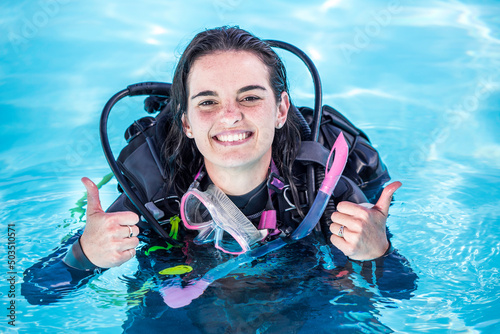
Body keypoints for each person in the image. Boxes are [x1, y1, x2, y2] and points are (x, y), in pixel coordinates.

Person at [23, 29, 416, 327]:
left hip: (304, 290)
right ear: (187, 123)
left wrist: (380, 252)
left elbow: (400, 291)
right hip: (188, 301)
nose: (230, 115)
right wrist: (84, 256)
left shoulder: (321, 187)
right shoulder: (151, 193)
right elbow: (34, 292)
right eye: (208, 102)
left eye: (250, 97)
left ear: (280, 110)